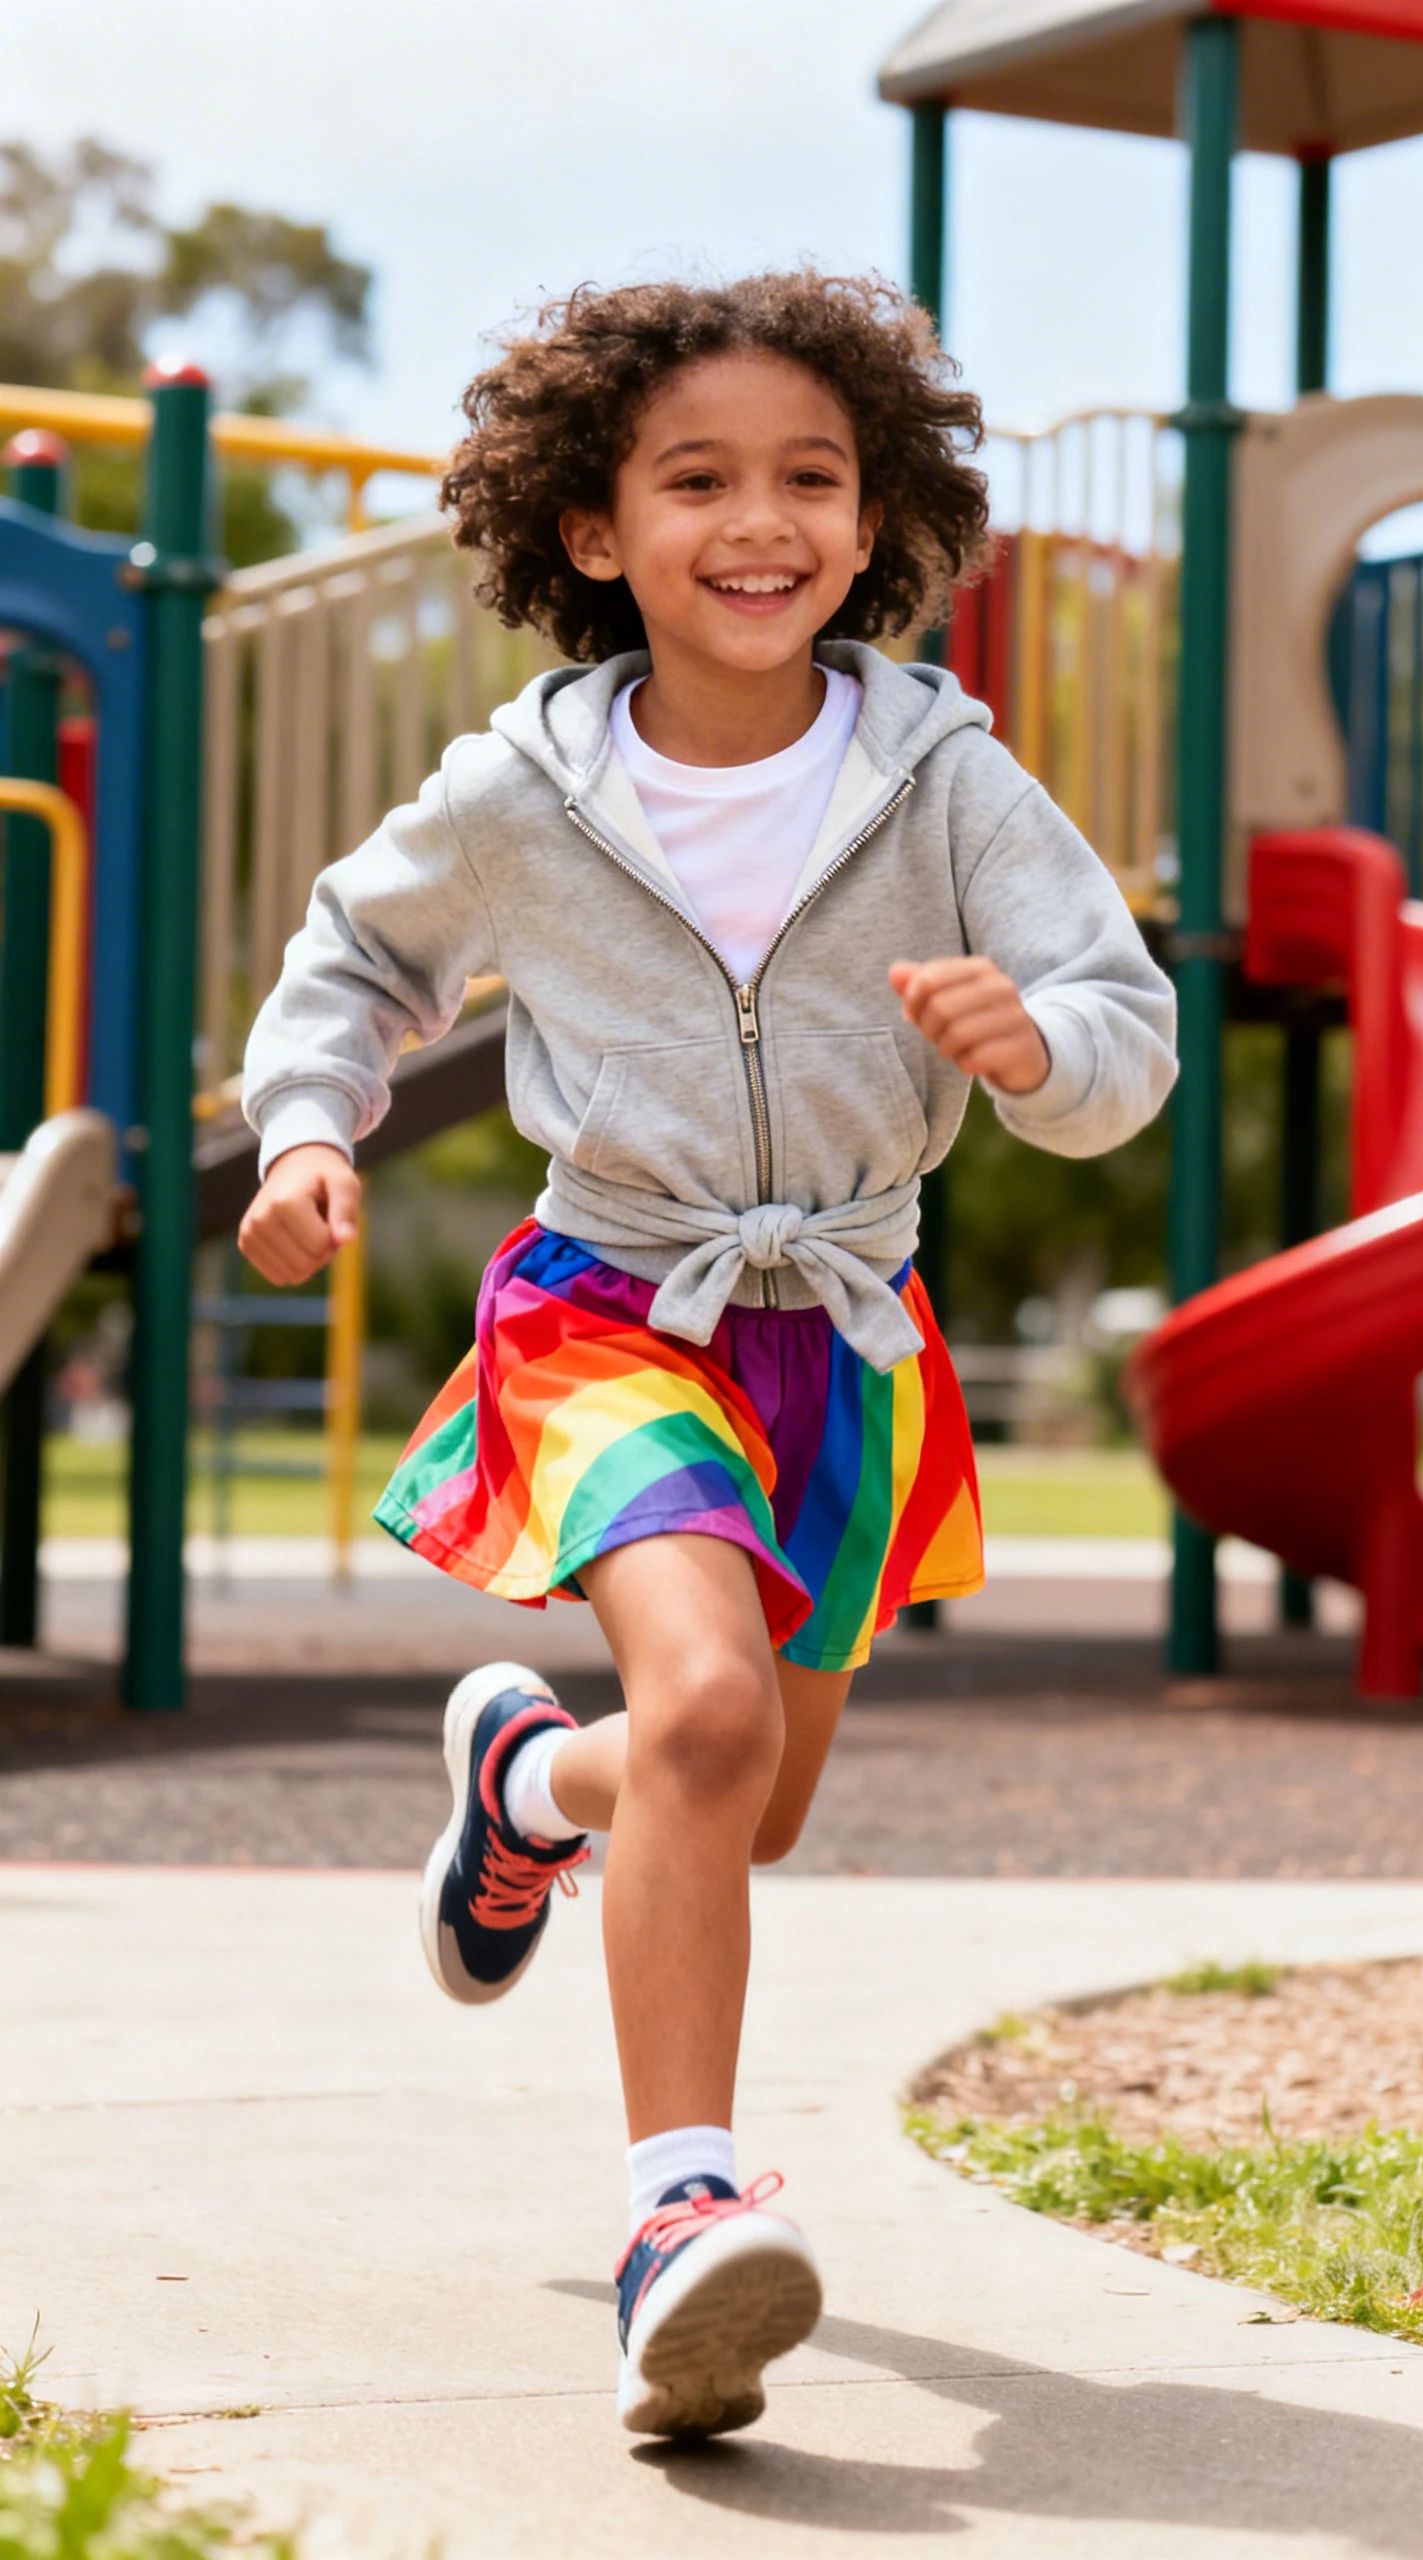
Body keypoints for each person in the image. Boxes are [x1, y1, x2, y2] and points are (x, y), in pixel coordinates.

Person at [238, 271, 1177, 2439]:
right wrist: (308, 1126)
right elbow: (356, 955)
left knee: (729, 1799)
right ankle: (684, 2203)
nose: (762, 522)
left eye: (811, 480)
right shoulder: (523, 790)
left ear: (876, 521)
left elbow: (1119, 1026)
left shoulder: (944, 769)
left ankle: (518, 1784)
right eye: (699, 481)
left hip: (845, 1324)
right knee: (712, 1705)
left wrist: (1038, 1047)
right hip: (612, 1304)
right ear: (592, 529)